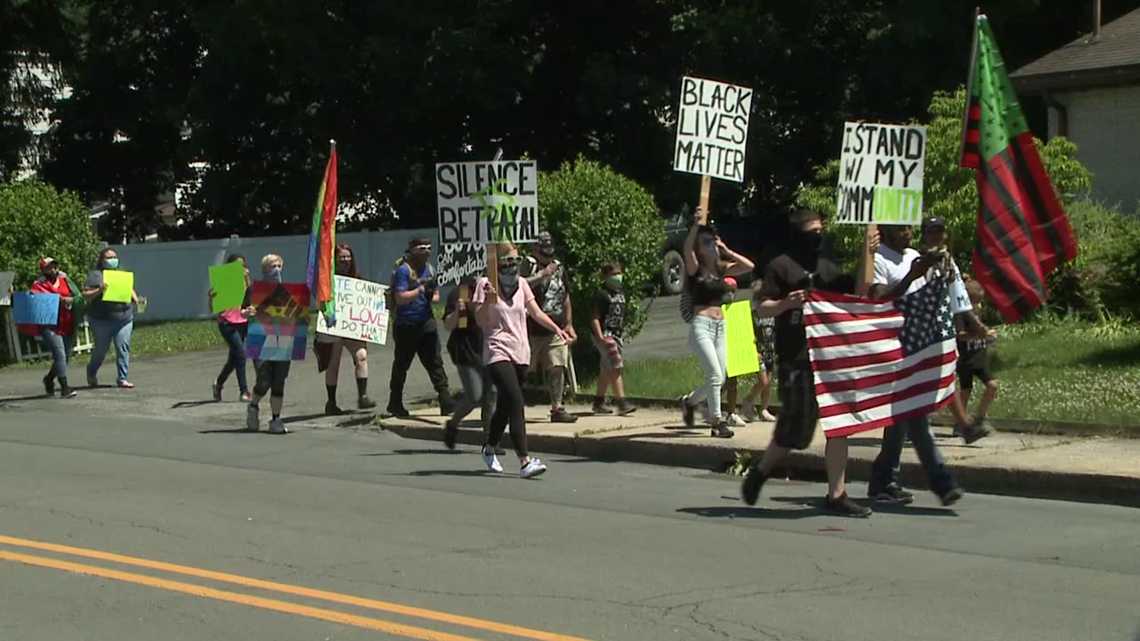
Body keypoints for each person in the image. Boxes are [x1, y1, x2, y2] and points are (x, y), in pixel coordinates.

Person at [741, 209, 878, 518]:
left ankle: (837, 494)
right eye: (813, 232)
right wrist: (789, 302)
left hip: (831, 359)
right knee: (798, 434)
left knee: (839, 426)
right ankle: (760, 472)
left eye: (822, 231)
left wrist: (867, 251)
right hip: (797, 360)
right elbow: (762, 309)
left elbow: (860, 292)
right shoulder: (781, 267)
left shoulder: (828, 268)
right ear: (800, 235)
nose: (820, 236)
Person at [864, 223, 965, 507]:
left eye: (909, 227)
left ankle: (883, 479)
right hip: (893, 344)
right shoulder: (879, 258)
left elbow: (929, 296)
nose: (907, 232)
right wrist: (912, 275)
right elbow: (880, 296)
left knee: (901, 417)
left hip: (919, 344)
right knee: (915, 414)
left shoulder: (912, 255)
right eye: (900, 228)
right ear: (886, 229)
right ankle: (942, 482)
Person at [471, 242, 571, 478]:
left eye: (516, 261)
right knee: (516, 401)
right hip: (496, 350)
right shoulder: (485, 284)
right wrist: (488, 300)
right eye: (509, 262)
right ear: (499, 263)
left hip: (520, 351)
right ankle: (525, 461)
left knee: (506, 407)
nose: (513, 266)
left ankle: (489, 446)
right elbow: (480, 321)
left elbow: (535, 312)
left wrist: (558, 328)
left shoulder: (522, 285)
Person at [678, 214, 755, 438]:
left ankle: (689, 402)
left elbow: (749, 266)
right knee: (714, 374)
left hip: (721, 328)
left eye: (713, 241)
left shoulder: (720, 269)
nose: (711, 245)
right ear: (699, 249)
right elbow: (686, 250)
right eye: (707, 243)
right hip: (701, 326)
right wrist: (695, 226)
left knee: (720, 378)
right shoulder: (695, 270)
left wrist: (726, 250)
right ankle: (716, 422)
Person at [919, 217, 994, 442]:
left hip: (942, 327)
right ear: (924, 235)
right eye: (932, 232)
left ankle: (964, 426)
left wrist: (977, 324)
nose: (937, 236)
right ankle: (911, 426)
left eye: (940, 232)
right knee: (924, 378)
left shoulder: (948, 261)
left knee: (944, 377)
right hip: (921, 326)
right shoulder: (920, 260)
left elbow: (959, 297)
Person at [388, 237, 453, 417]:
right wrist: (422, 290)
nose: (426, 251)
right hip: (406, 323)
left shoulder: (431, 269)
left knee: (435, 362)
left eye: (429, 248)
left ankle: (445, 399)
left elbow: (436, 297)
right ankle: (395, 402)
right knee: (402, 364)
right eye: (422, 248)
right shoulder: (404, 270)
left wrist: (432, 294)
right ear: (412, 250)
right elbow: (400, 298)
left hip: (426, 321)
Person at [521, 232, 578, 423]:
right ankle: (510, 404)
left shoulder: (559, 266)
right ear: (535, 248)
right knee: (523, 367)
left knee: (557, 366)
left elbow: (565, 294)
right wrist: (541, 275)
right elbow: (518, 285)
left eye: (549, 246)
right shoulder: (528, 264)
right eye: (542, 247)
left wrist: (568, 323)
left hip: (556, 327)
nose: (547, 251)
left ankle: (557, 408)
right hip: (531, 328)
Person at [442, 276, 500, 452]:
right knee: (474, 396)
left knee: (492, 394)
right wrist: (458, 312)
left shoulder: (492, 291)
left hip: (489, 348)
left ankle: (490, 441)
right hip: (465, 350)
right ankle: (452, 424)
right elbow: (447, 324)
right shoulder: (460, 293)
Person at [316, 243, 376, 414]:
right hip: (333, 327)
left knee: (361, 356)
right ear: (335, 259)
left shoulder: (357, 279)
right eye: (342, 257)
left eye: (348, 257)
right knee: (333, 363)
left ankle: (363, 396)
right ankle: (331, 402)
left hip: (353, 327)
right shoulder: (326, 280)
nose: (345, 260)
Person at [83, 247, 140, 388]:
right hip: (101, 320)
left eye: (114, 257)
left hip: (124, 318)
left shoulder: (121, 274)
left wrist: (136, 299)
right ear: (102, 261)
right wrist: (99, 289)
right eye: (108, 258)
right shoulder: (96, 276)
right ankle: (91, 371)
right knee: (101, 350)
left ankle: (122, 378)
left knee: (123, 347)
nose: (112, 260)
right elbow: (85, 294)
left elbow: (129, 289)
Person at [246, 254, 290, 434]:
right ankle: (254, 406)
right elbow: (241, 311)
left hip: (283, 341)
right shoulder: (254, 291)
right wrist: (246, 312)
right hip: (261, 341)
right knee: (264, 381)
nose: (277, 270)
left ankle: (276, 419)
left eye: (279, 266)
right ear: (265, 270)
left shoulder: (288, 292)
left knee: (279, 381)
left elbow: (295, 316)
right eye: (273, 266)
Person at [28, 258, 81, 399]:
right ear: (43, 270)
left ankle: (49, 378)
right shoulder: (38, 285)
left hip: (66, 322)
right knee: (60, 355)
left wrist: (71, 300)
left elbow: (78, 296)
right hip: (49, 325)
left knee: (64, 357)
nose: (53, 270)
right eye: (49, 268)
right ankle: (64, 387)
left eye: (54, 267)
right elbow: (31, 301)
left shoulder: (65, 280)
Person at [590, 261, 635, 416]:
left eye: (619, 273)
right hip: (606, 336)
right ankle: (622, 402)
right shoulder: (602, 295)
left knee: (606, 369)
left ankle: (598, 402)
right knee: (616, 367)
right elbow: (595, 318)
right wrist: (600, 337)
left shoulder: (621, 294)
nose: (618, 277)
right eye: (613, 274)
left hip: (617, 335)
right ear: (605, 277)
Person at [209, 254, 252, 401]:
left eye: (242, 265)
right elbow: (213, 309)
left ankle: (218, 383)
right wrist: (211, 297)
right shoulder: (222, 281)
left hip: (241, 321)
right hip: (227, 323)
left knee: (234, 359)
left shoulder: (245, 281)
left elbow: (248, 299)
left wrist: (247, 279)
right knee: (241, 354)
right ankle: (244, 391)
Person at [958, 278, 999, 429]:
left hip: (980, 358)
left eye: (981, 302)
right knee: (965, 391)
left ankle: (980, 417)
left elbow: (982, 331)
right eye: (976, 302)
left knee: (992, 385)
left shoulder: (978, 316)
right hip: (966, 359)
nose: (979, 306)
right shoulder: (963, 317)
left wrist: (989, 334)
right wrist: (978, 335)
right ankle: (960, 421)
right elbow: (960, 335)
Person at [740, 289, 777, 422]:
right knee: (763, 381)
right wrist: (753, 350)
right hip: (758, 352)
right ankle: (748, 401)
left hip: (770, 350)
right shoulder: (753, 316)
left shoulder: (773, 315)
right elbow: (747, 334)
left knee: (768, 383)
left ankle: (764, 409)